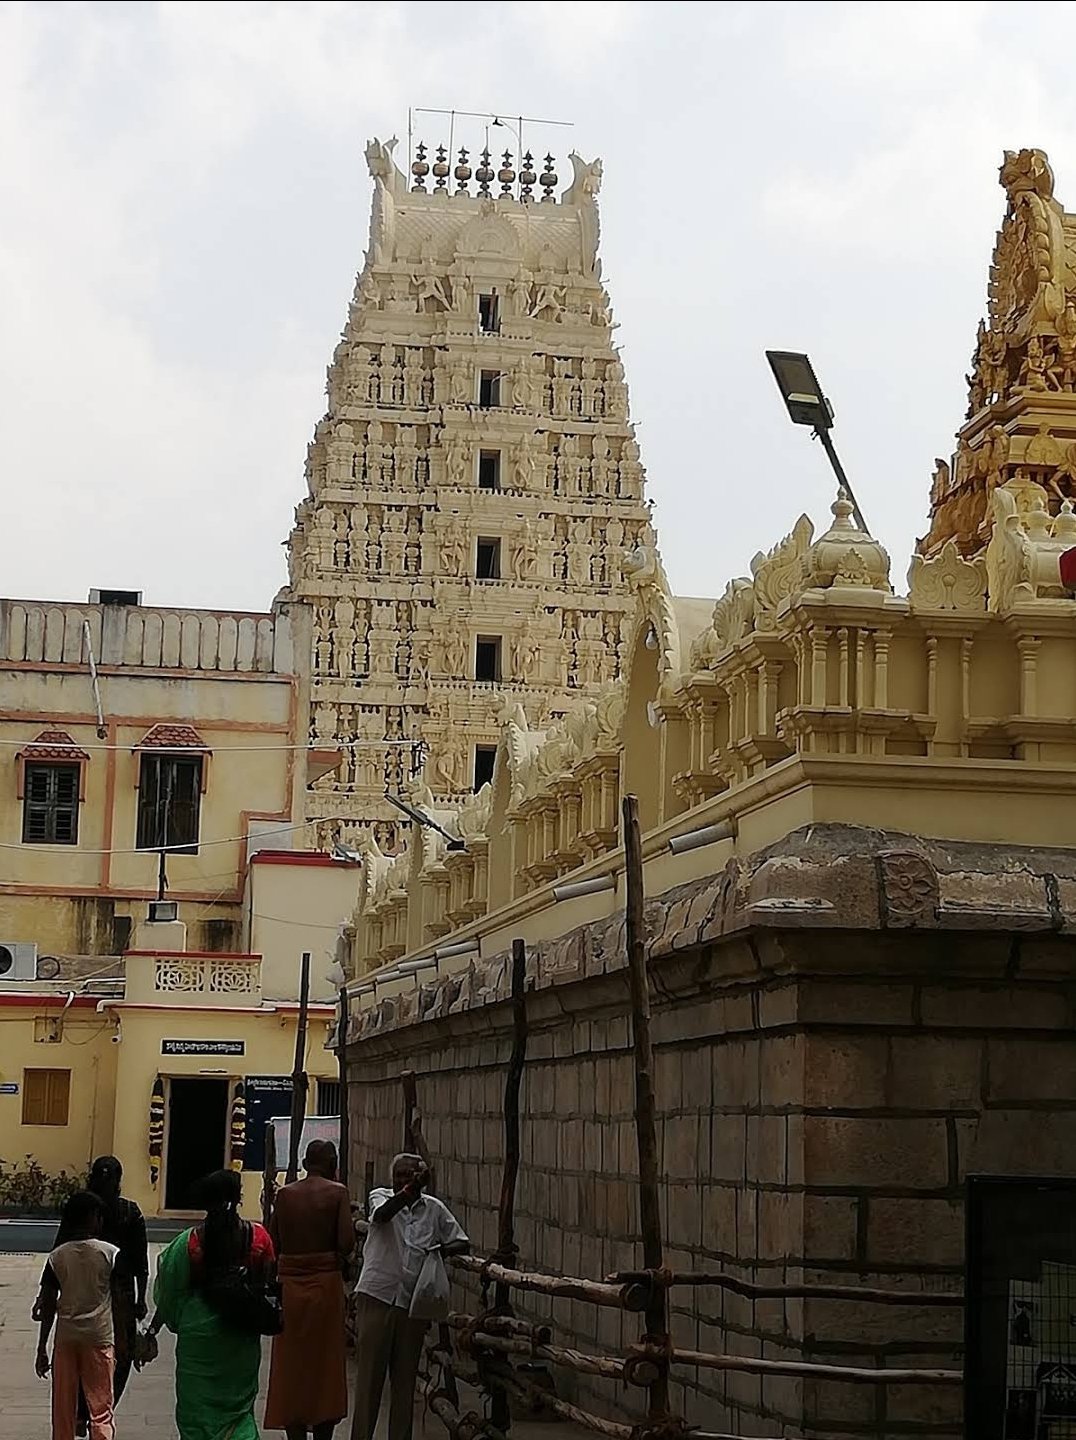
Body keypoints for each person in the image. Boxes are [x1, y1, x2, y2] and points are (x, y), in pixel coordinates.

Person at [350, 1154, 469, 1440]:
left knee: (404, 1383)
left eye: (409, 1175)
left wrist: (438, 1251)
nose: (403, 1180)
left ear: (421, 1178)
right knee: (369, 1382)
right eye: (399, 1175)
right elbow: (381, 1216)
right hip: (378, 1296)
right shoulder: (380, 1196)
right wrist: (408, 1191)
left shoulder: (434, 1209)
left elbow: (462, 1242)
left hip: (411, 1303)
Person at [151, 1169, 275, 1440]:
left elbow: (169, 1294)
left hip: (198, 1340)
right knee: (239, 1411)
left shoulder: (188, 1243)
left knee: (197, 1415)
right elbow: (267, 1285)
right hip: (241, 1338)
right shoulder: (259, 1238)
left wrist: (169, 1323)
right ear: (239, 1198)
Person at [34, 1155, 148, 1439]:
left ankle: (75, 1422)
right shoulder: (117, 1238)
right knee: (103, 1398)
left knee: (63, 1407)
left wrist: (41, 1345)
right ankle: (94, 1426)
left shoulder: (61, 1248)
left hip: (68, 1332)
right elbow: (139, 1266)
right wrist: (136, 1311)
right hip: (102, 1328)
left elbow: (50, 1288)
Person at [264, 1139, 354, 1440]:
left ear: (304, 1164)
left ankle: (295, 1433)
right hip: (326, 1287)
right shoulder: (338, 1193)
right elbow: (346, 1243)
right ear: (333, 1164)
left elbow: (273, 1240)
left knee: (292, 1365)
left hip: (290, 1287)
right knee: (325, 1367)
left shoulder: (286, 1195)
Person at [35, 1189, 119, 1440]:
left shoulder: (57, 1257)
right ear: (93, 1217)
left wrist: (42, 1347)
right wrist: (127, 1339)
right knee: (101, 1407)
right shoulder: (110, 1254)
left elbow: (49, 1304)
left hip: (66, 1338)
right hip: (99, 1337)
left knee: (63, 1409)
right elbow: (122, 1300)